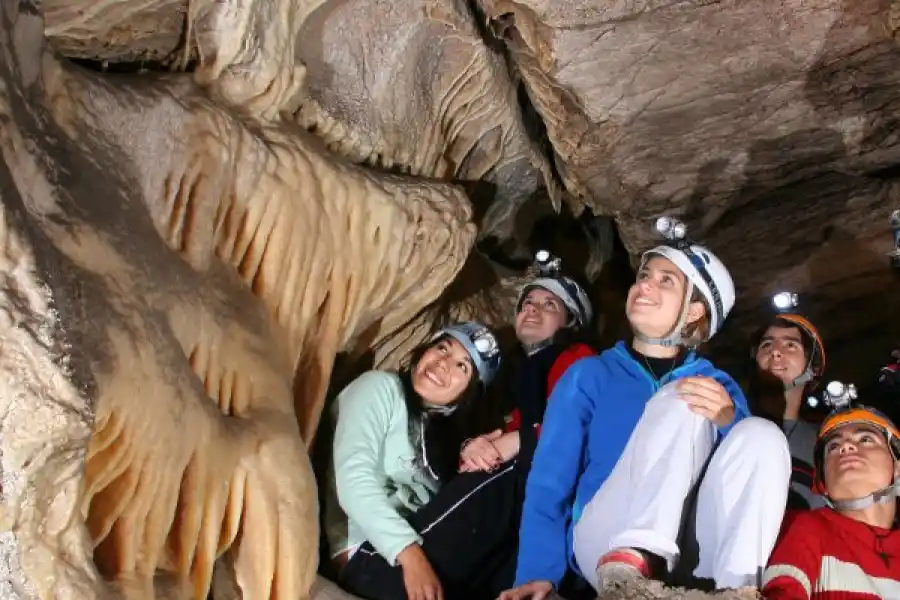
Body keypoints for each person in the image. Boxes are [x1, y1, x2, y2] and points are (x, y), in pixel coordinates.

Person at [500, 216, 791, 600]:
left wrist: (729, 421)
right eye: (644, 275)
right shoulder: (590, 374)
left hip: (691, 550)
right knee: (682, 397)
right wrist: (538, 574)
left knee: (762, 434)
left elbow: (746, 471)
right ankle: (634, 561)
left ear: (693, 312)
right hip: (605, 540)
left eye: (665, 280)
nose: (644, 285)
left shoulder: (719, 386)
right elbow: (550, 481)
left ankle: (736, 587)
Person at [324, 322, 501, 600]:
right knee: (509, 469)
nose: (443, 363)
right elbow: (353, 478)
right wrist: (411, 556)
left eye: (461, 366)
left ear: (467, 394)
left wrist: (470, 448)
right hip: (370, 552)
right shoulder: (380, 388)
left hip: (420, 548)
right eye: (443, 348)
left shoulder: (439, 442)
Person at [762, 381, 900, 599]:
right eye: (833, 447)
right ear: (822, 482)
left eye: (866, 439)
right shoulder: (807, 530)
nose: (846, 447)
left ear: (897, 467)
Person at [749, 292, 828, 510]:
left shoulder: (824, 444)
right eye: (766, 345)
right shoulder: (727, 419)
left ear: (811, 370)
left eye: (790, 345)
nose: (775, 352)